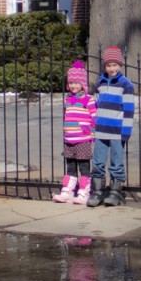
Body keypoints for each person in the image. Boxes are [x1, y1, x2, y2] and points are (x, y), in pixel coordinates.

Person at [87, 46, 135, 207]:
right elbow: (97, 104)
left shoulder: (126, 85)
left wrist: (126, 131)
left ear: (120, 65)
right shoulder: (99, 83)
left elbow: (129, 110)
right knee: (98, 162)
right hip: (101, 130)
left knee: (116, 162)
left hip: (117, 132)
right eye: (108, 65)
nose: (112, 68)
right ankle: (98, 191)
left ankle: (115, 192)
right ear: (104, 66)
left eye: (115, 65)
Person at [53, 60, 97, 204]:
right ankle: (67, 191)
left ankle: (84, 192)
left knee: (84, 166)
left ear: (83, 84)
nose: (73, 86)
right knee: (70, 166)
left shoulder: (88, 100)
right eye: (71, 83)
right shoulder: (68, 100)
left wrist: (92, 132)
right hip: (69, 140)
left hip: (83, 139)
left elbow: (94, 117)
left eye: (76, 83)